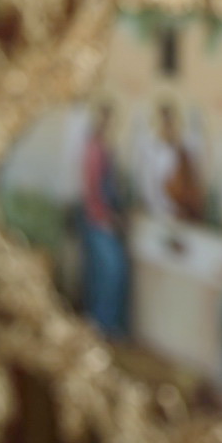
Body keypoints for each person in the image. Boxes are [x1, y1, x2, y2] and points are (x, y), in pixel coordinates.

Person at [81, 102, 129, 337]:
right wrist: (108, 218)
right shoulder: (95, 150)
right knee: (111, 271)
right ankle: (103, 323)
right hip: (98, 220)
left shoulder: (103, 149)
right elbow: (94, 189)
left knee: (102, 272)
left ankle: (101, 322)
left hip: (101, 218)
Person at [141, 101, 204, 222]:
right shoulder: (152, 150)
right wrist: (160, 209)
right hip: (158, 211)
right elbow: (149, 186)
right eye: (164, 122)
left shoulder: (182, 151)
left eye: (171, 122)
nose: (168, 127)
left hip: (181, 212)